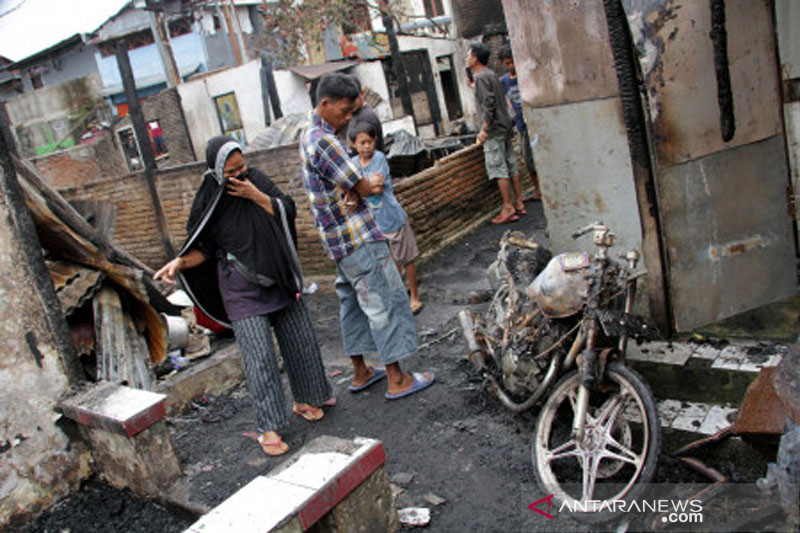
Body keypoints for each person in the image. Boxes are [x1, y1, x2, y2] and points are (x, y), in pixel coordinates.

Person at [153, 136, 332, 457]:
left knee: (300, 339)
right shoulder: (209, 199)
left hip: (277, 277)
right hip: (241, 290)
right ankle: (269, 427)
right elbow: (201, 249)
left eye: (242, 167)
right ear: (217, 170)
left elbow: (286, 209)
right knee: (259, 357)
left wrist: (256, 195)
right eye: (232, 172)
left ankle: (306, 398)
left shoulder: (257, 180)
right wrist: (180, 262)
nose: (239, 175)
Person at [300, 72, 434, 400]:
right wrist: (364, 186)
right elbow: (363, 185)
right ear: (325, 103)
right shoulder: (326, 142)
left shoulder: (308, 135)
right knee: (382, 301)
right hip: (358, 237)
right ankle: (396, 378)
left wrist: (358, 188)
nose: (349, 119)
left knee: (353, 304)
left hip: (338, 243)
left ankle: (361, 372)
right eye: (345, 111)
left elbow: (350, 186)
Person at [349, 121, 423, 315]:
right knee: (390, 263)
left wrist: (361, 187)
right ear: (353, 144)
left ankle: (414, 295)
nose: (367, 146)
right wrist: (366, 185)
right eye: (362, 143)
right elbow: (358, 191)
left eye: (370, 142)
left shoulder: (379, 158)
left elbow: (377, 188)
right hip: (374, 224)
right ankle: (400, 296)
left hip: (392, 218)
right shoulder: (354, 164)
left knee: (406, 259)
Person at [466, 42, 525, 224]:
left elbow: (488, 103)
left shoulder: (482, 77)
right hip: (505, 125)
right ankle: (519, 202)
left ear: (475, 58)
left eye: (469, 55)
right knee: (510, 164)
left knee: (498, 167)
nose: (467, 58)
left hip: (494, 129)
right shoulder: (489, 74)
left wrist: (484, 129)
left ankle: (507, 207)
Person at [499, 45, 539, 199]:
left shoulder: (526, 77)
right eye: (507, 63)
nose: (510, 66)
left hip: (534, 123)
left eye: (512, 62)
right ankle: (538, 190)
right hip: (521, 125)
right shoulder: (503, 82)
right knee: (528, 159)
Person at [345, 76, 384, 153]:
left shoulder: (366, 117)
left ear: (362, 93)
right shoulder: (355, 114)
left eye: (353, 98)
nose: (350, 103)